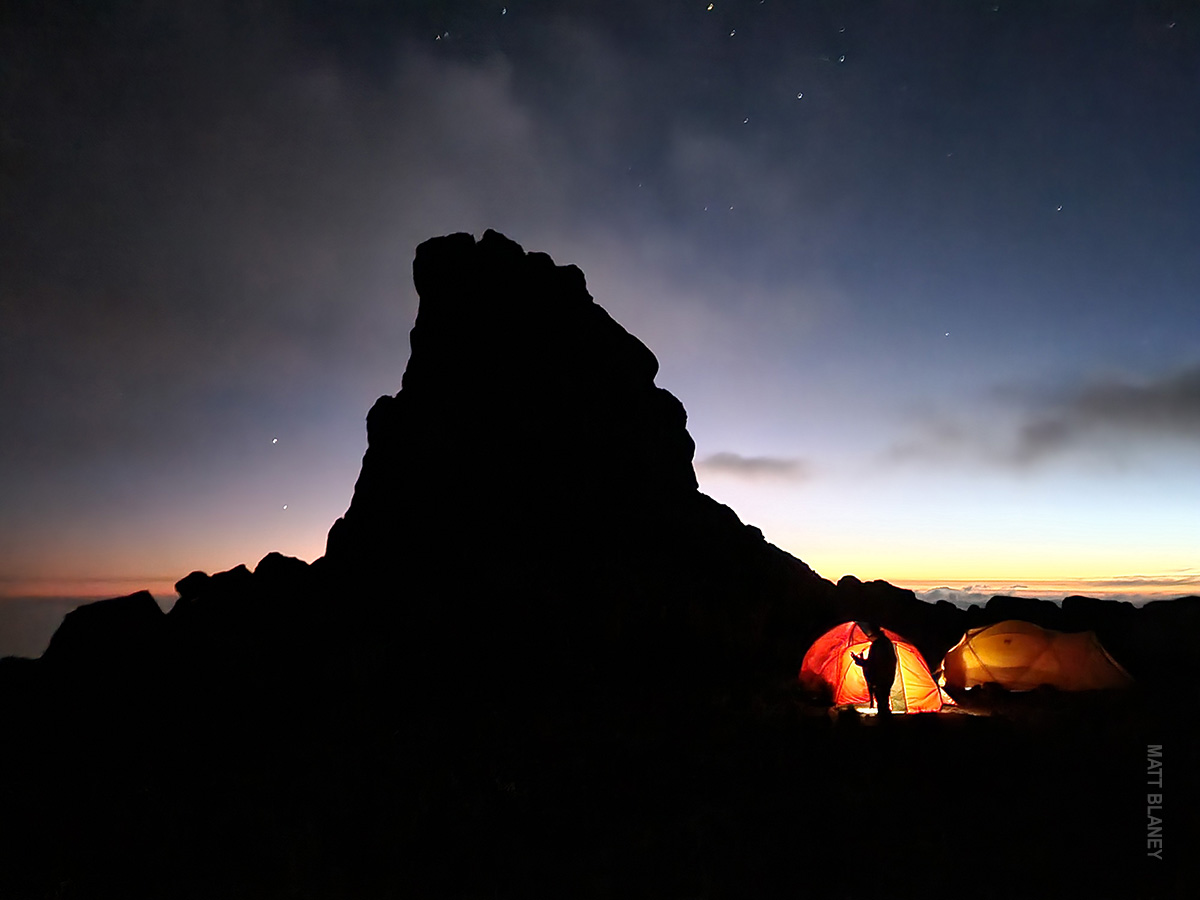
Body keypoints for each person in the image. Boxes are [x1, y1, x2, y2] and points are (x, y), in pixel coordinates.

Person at [851, 623, 897, 715]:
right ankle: (885, 718)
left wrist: (859, 661)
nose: (869, 639)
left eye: (869, 636)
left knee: (882, 699)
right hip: (887, 676)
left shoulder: (878, 645)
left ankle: (884, 719)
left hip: (881, 678)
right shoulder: (886, 643)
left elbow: (873, 663)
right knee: (883, 699)